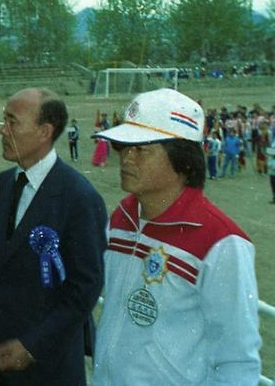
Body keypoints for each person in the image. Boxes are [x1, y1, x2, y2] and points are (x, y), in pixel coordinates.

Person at [91, 88, 260, 384]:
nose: (127, 159)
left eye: (141, 149)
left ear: (181, 159)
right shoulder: (122, 217)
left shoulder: (222, 243)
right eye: (124, 148)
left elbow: (237, 361)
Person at [0, 88, 107, 385]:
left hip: (47, 365)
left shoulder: (79, 197)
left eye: (12, 122)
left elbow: (85, 289)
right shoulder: (5, 183)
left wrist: (33, 345)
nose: (2, 130)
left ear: (44, 132)